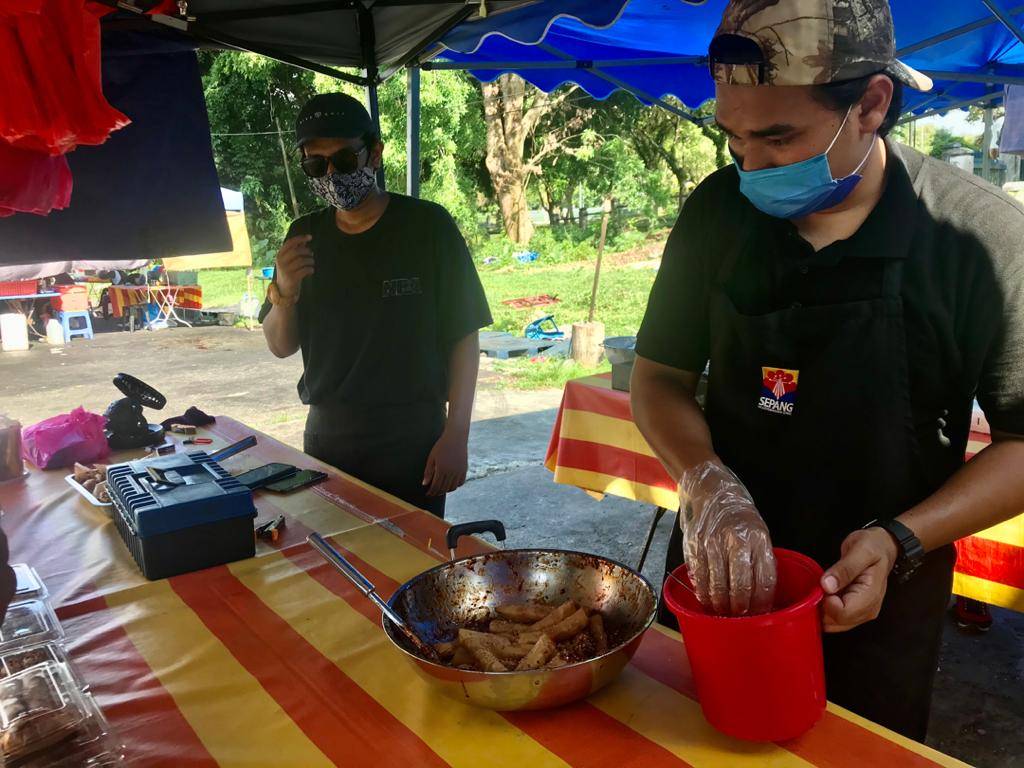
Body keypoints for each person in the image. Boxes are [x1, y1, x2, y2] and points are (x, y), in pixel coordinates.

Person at [631, 0, 1024, 741]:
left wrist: (902, 538)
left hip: (877, 601)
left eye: (779, 137)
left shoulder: (980, 241)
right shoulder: (718, 213)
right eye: (734, 138)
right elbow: (659, 377)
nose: (751, 166)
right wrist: (704, 480)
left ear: (872, 103)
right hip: (718, 586)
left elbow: (1022, 443)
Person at [260, 93, 492, 518]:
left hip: (412, 439)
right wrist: (286, 292)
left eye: (345, 160)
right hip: (329, 437)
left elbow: (464, 335)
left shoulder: (427, 227)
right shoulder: (303, 236)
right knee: (338, 566)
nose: (331, 175)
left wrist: (457, 433)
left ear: (376, 153)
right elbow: (280, 345)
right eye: (316, 165)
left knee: (411, 566)